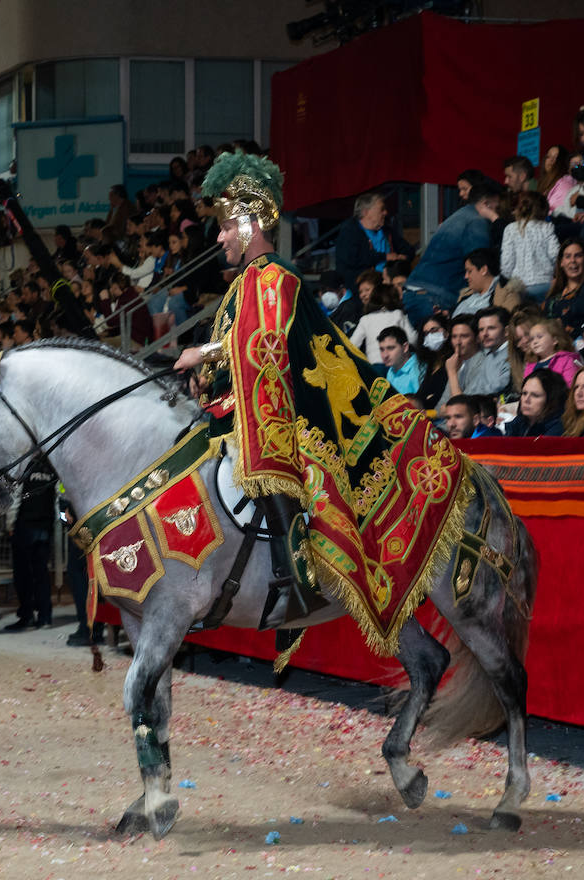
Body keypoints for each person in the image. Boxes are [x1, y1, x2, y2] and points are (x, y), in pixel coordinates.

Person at [174, 151, 467, 631]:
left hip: (293, 408)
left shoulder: (273, 276)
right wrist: (207, 364)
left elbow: (264, 346)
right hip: (255, 402)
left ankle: (297, 570)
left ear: (249, 224)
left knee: (263, 460)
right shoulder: (245, 282)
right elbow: (237, 343)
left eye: (227, 226)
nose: (222, 236)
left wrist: (203, 355)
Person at [404, 182, 498, 321]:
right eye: (498, 206)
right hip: (434, 296)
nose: (498, 211)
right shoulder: (476, 222)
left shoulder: (460, 215)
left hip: (419, 293)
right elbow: (479, 261)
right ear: (486, 204)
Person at [3, 456, 56, 632]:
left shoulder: (24, 467)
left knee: (23, 575)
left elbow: (15, 498)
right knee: (41, 573)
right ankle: (45, 617)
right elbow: (57, 498)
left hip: (25, 526)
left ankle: (27, 617)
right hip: (45, 526)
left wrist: (10, 525)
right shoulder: (51, 468)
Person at [335, 191, 413, 293]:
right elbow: (352, 258)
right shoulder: (349, 230)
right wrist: (385, 257)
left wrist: (402, 259)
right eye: (382, 209)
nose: (385, 212)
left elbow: (409, 250)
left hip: (389, 286)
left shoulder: (386, 230)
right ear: (366, 212)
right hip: (362, 290)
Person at [499, 192, 559, 301]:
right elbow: (555, 255)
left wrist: (507, 278)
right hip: (546, 284)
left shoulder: (510, 229)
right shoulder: (547, 227)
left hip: (521, 287)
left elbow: (507, 264)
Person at [349, 283, 416, 367]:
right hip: (396, 364)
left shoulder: (365, 319)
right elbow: (412, 339)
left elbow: (352, 345)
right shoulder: (398, 314)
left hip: (374, 365)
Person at [504, 367, 566, 436]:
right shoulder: (519, 422)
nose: (526, 399)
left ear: (551, 400)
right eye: (524, 393)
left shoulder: (557, 429)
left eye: (535, 395)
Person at [523, 317, 584, 387]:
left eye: (539, 337)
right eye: (531, 339)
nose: (535, 342)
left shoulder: (566, 360)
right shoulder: (530, 366)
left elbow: (571, 386)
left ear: (554, 340)